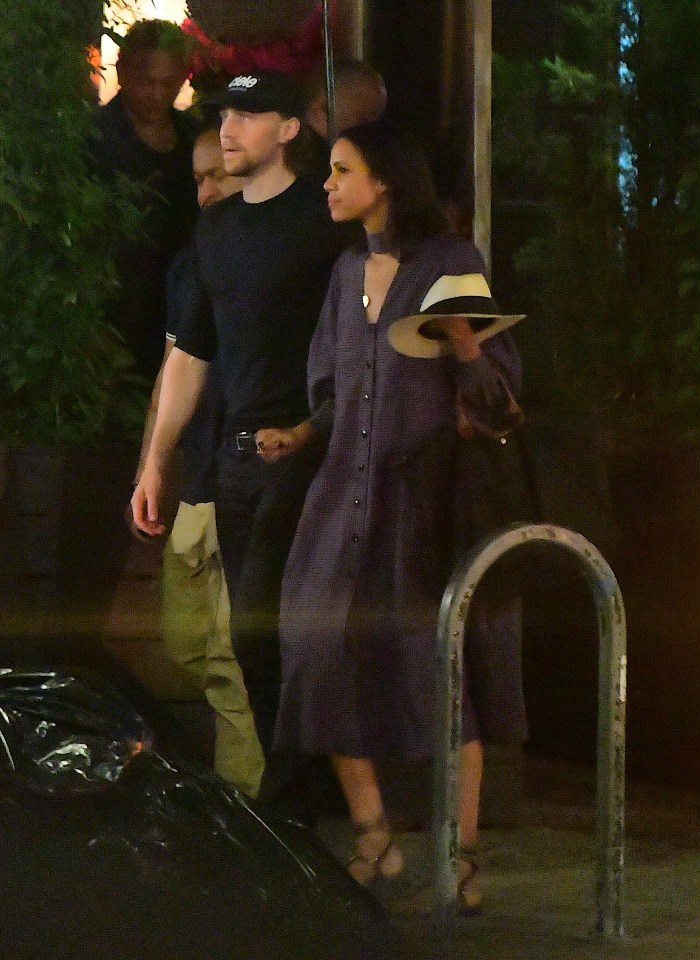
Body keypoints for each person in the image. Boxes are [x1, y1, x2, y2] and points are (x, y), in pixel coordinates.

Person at [254, 120, 523, 913]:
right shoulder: (344, 273)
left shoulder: (448, 263)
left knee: (435, 669)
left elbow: (500, 394)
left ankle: (462, 854)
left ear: (386, 182)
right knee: (315, 647)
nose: (329, 185)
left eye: (343, 171)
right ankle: (373, 833)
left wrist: (466, 345)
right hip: (343, 494)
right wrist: (298, 434)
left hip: (422, 499)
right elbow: (338, 389)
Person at [131, 71, 344, 774]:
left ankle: (298, 802)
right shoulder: (217, 227)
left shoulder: (324, 216)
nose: (229, 128)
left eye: (249, 116)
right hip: (233, 455)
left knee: (272, 630)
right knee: (243, 638)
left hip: (310, 451)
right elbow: (189, 352)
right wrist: (157, 459)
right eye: (224, 114)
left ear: (289, 129)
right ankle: (286, 802)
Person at [132, 127, 264, 797]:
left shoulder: (269, 256)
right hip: (198, 472)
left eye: (222, 175)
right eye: (199, 178)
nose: (208, 189)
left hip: (237, 472)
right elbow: (174, 361)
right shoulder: (193, 259)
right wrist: (151, 462)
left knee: (223, 658)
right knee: (188, 644)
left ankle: (246, 806)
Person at [92, 19, 199, 382]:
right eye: (145, 81)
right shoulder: (95, 137)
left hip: (182, 300)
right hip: (117, 305)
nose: (157, 94)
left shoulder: (194, 137)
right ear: (121, 71)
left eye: (169, 83)